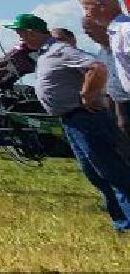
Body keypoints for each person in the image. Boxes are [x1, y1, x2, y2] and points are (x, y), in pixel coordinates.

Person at [10, 12, 130, 231]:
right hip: (72, 120)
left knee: (111, 170)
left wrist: (87, 95)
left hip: (85, 118)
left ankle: (126, 219)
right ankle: (121, 221)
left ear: (31, 33)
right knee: (94, 172)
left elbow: (97, 67)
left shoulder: (60, 50)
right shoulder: (46, 53)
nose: (20, 40)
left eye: (21, 35)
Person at [80, 0, 130, 139]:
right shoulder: (115, 33)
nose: (86, 14)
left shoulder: (126, 30)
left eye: (87, 8)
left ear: (102, 7)